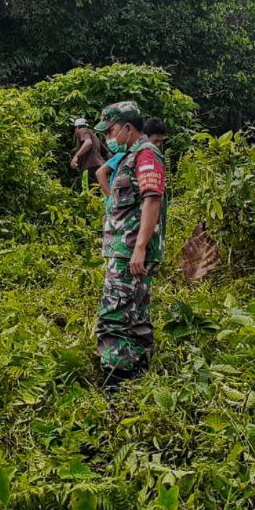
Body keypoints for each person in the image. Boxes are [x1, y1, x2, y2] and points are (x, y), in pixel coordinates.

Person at [93, 101, 167, 389]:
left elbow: (153, 199)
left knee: (113, 316)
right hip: (126, 251)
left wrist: (139, 248)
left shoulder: (146, 154)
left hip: (131, 252)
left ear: (127, 128)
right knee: (134, 314)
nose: (108, 137)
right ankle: (137, 375)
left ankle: (115, 383)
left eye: (110, 131)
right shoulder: (129, 157)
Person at [69, 118, 106, 183]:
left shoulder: (82, 130)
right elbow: (107, 154)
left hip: (90, 168)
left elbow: (88, 143)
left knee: (89, 188)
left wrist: (76, 157)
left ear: (77, 127)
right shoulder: (95, 137)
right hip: (100, 168)